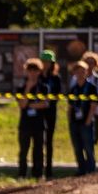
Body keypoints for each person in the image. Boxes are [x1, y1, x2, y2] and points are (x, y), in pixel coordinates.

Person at [16, 58, 48, 179]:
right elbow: (21, 105)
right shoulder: (21, 87)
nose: (32, 73)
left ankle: (38, 174)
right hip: (25, 124)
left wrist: (30, 105)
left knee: (38, 150)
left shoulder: (43, 87)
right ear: (26, 71)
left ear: (39, 71)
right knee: (24, 150)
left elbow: (45, 104)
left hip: (39, 124)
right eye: (30, 70)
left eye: (35, 70)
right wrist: (28, 88)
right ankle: (22, 174)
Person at [68, 60, 98, 175]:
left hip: (86, 122)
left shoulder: (91, 88)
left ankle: (91, 170)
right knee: (77, 148)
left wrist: (88, 121)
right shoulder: (73, 89)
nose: (80, 74)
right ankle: (81, 170)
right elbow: (70, 107)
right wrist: (70, 122)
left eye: (83, 71)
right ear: (74, 73)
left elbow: (93, 106)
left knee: (88, 147)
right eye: (78, 71)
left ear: (86, 72)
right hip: (75, 122)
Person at [39, 50, 63, 178]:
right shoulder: (37, 77)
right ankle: (38, 169)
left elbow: (59, 95)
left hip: (51, 112)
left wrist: (49, 99)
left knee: (49, 141)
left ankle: (49, 170)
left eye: (48, 62)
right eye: (44, 61)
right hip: (38, 112)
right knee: (38, 141)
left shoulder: (55, 78)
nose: (46, 64)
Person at [81, 51, 98, 149]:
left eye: (92, 62)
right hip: (82, 112)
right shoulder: (78, 78)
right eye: (87, 62)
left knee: (93, 138)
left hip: (95, 112)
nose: (89, 65)